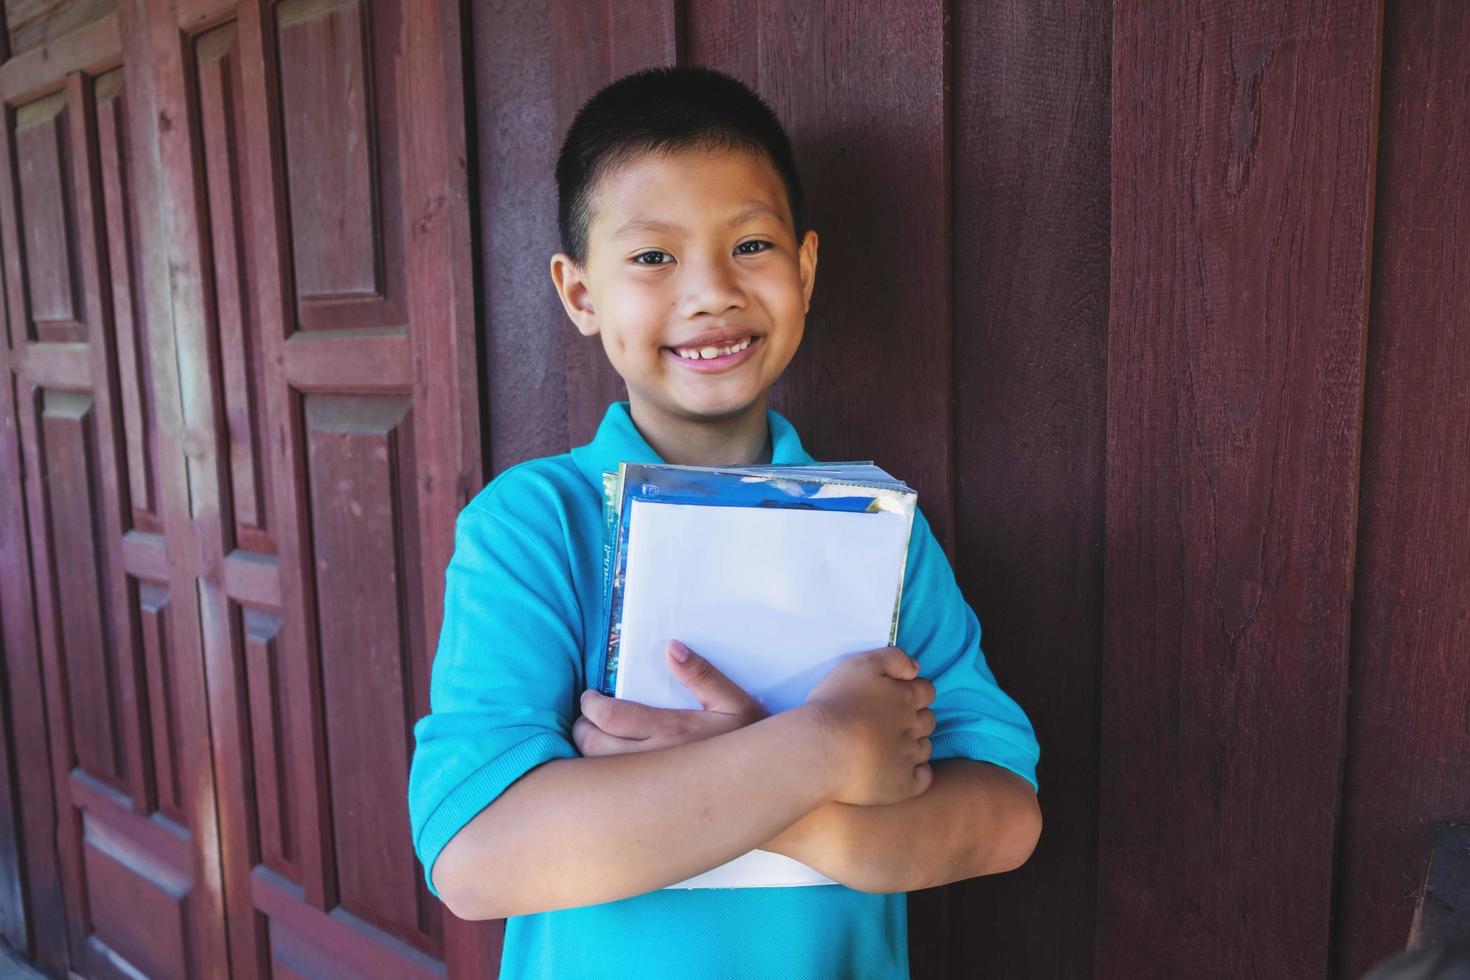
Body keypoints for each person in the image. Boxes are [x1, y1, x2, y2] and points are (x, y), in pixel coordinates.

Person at [407, 64, 1042, 979]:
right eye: (653, 256)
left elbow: (1005, 818)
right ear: (580, 293)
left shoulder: (880, 528)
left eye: (750, 245)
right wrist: (826, 746)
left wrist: (797, 801)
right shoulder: (534, 526)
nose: (710, 293)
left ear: (806, 267)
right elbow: (478, 859)